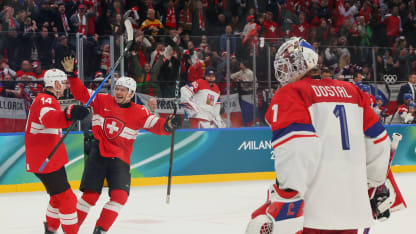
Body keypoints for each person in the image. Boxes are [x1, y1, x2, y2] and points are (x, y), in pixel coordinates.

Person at [245, 37, 391, 234]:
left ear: (299, 63)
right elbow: (380, 144)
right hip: (354, 212)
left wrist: (286, 197)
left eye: (286, 67)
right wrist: (372, 186)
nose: (283, 73)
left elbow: (298, 147)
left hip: (313, 214)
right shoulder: (353, 92)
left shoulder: (292, 92)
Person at [61, 57, 182, 234]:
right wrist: (72, 76)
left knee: (120, 196)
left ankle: (100, 230)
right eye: (117, 88)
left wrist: (169, 124)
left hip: (120, 159)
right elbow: (82, 94)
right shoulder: (102, 100)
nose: (118, 92)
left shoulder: (139, 112)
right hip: (98, 154)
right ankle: (70, 230)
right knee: (90, 197)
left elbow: (157, 125)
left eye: (122, 90)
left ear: (131, 94)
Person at [25, 68, 90, 234]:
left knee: (57, 198)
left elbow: (55, 120)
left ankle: (51, 230)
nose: (65, 87)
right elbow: (50, 119)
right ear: (55, 83)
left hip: (49, 159)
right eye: (63, 83)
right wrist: (70, 113)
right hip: (45, 160)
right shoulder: (46, 100)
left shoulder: (45, 99)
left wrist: (70, 114)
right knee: (68, 199)